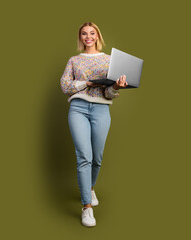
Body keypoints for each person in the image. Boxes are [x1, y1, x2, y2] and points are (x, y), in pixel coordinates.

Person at [60, 22, 128, 227]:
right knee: (84, 157)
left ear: (97, 36)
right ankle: (87, 207)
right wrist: (88, 83)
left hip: (101, 109)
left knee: (96, 158)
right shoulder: (74, 60)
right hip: (78, 109)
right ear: (80, 37)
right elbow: (65, 86)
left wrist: (115, 86)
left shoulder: (109, 61)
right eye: (84, 33)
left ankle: (90, 187)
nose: (88, 36)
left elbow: (108, 94)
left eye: (92, 33)